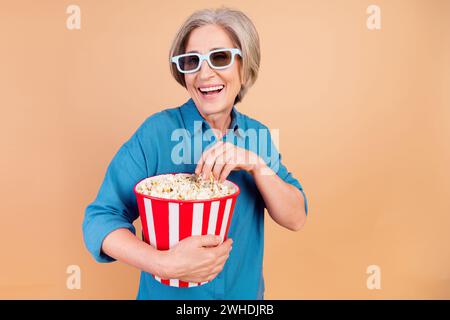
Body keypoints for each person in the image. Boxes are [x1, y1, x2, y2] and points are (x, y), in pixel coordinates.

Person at [83, 6, 308, 300]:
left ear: (245, 64)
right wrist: (163, 263)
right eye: (192, 61)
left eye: (220, 57)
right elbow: (100, 219)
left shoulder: (258, 137)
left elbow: (296, 217)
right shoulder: (156, 133)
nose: (205, 73)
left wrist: (256, 165)